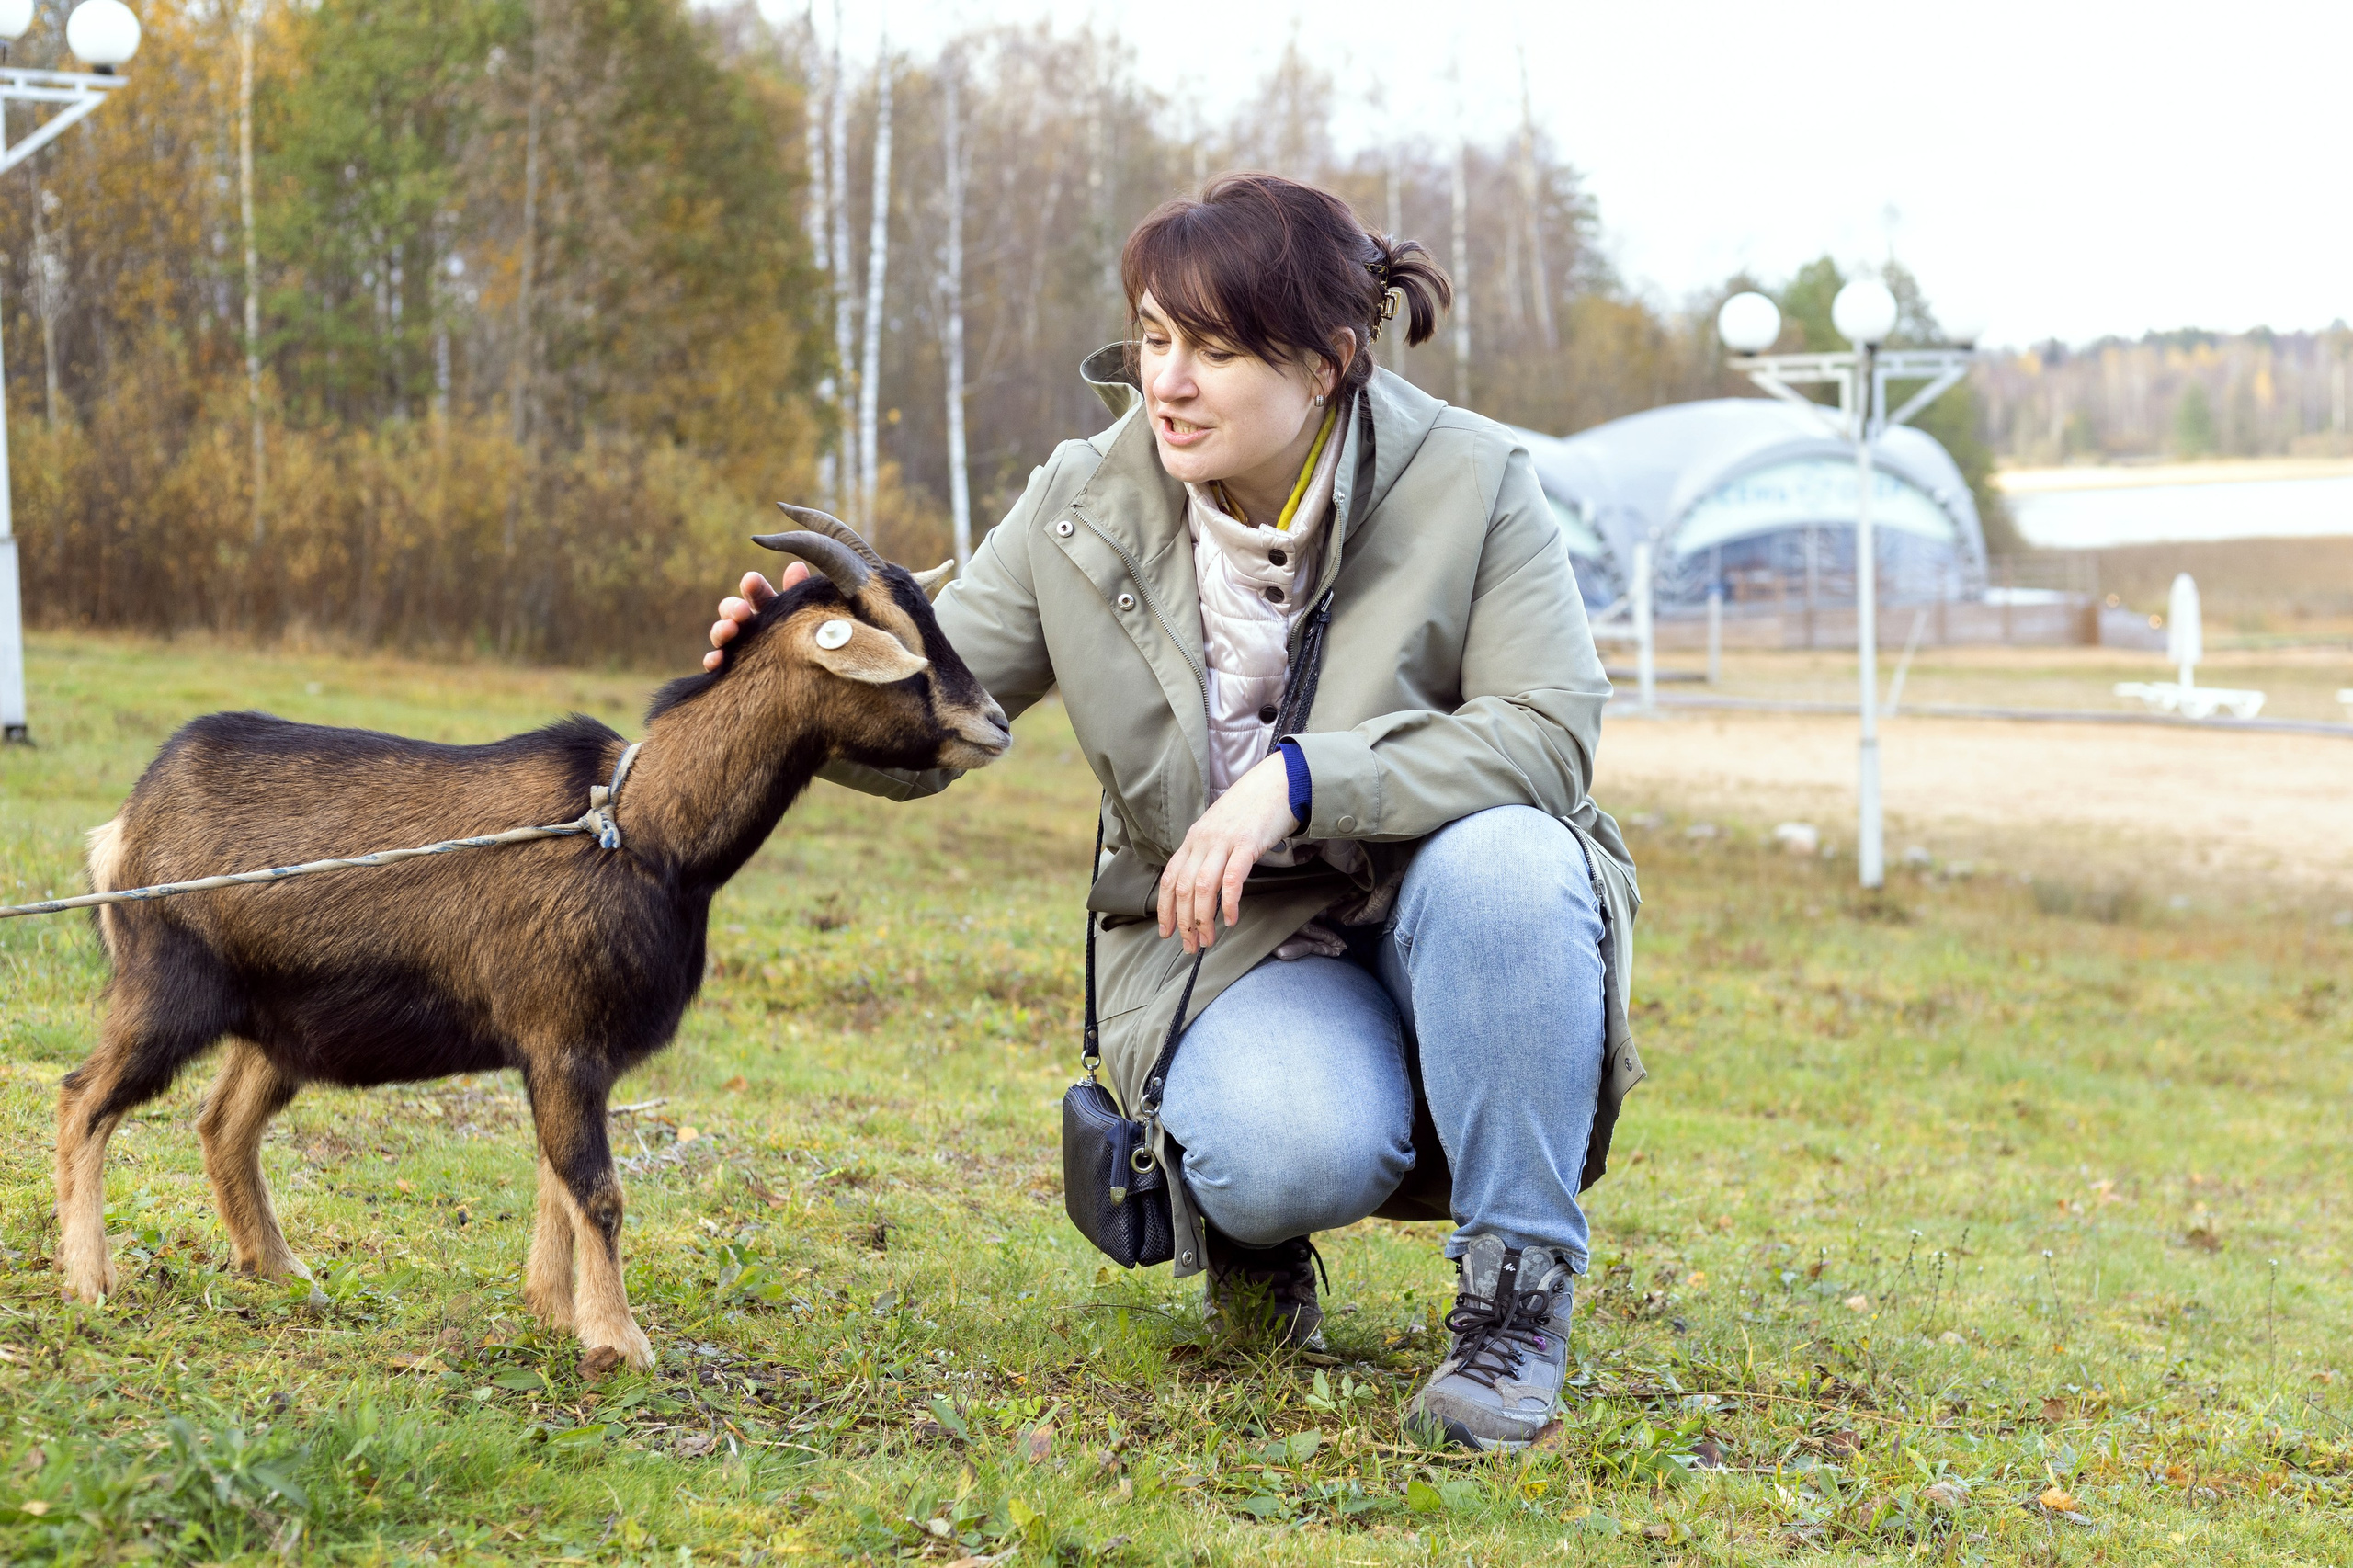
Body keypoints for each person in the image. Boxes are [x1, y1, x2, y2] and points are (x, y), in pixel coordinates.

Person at [709, 173, 1643, 1451]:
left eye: (1215, 349)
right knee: (1279, 1148)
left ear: (1328, 363)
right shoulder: (1079, 504)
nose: (1168, 382)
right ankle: (1249, 1228)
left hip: (1449, 904)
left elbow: (1547, 734)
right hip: (1231, 945)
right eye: (1153, 337)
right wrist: (791, 686)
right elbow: (936, 713)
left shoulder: (1473, 481)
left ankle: (1515, 1308)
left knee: (1517, 860)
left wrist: (1300, 781)